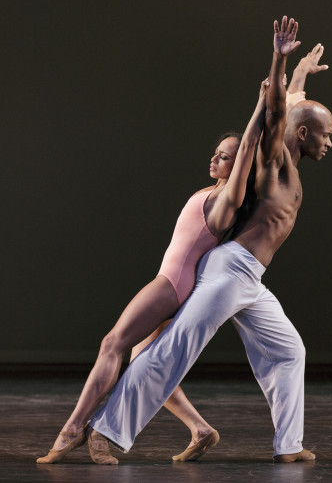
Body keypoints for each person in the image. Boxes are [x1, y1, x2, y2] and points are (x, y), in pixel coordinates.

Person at [87, 16, 332, 463]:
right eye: (326, 134)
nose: (330, 142)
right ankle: (104, 432)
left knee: (288, 351)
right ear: (302, 134)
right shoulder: (275, 158)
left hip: (249, 277)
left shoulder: (291, 159)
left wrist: (299, 74)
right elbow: (279, 109)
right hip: (229, 270)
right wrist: (279, 59)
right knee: (173, 348)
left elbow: (291, 102)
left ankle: (288, 446)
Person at [36, 66, 270, 465]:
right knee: (142, 359)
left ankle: (75, 430)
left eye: (225, 156)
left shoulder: (227, 200)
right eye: (216, 152)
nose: (216, 157)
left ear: (239, 168)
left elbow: (250, 146)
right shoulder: (213, 192)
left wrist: (265, 101)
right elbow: (242, 151)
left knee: (112, 343)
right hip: (175, 283)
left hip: (171, 285)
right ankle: (200, 429)